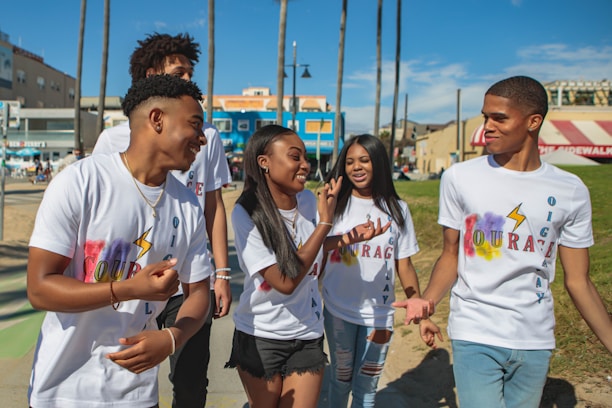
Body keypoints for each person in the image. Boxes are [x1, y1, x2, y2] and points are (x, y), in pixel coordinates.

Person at [399, 75, 612, 408]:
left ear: (533, 121)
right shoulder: (460, 178)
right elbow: (450, 255)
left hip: (535, 338)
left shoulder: (571, 191)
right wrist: (428, 301)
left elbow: (578, 280)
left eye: (499, 118)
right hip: (475, 330)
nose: (488, 126)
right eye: (485, 116)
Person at [27, 74, 212, 408]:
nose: (202, 138)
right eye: (195, 124)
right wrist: (128, 289)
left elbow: (199, 294)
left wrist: (172, 338)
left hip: (136, 395)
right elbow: (39, 289)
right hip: (63, 390)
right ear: (157, 119)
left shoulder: (187, 206)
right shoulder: (81, 182)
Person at [92, 32, 232, 408]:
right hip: (132, 275)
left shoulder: (206, 138)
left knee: (189, 377)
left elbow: (213, 206)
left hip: (189, 274)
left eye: (190, 72)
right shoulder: (112, 139)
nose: (189, 80)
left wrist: (221, 273)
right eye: (179, 72)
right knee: (126, 363)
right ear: (152, 74)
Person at [225, 124, 345, 408]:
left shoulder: (305, 200)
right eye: (295, 157)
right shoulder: (246, 212)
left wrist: (342, 239)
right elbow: (285, 281)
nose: (305, 164)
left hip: (307, 332)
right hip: (261, 335)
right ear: (264, 162)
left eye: (305, 157)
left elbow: (306, 251)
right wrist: (325, 225)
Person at [320, 134, 434, 407]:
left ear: (379, 163)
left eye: (364, 160)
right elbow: (317, 249)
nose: (356, 167)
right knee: (340, 379)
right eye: (349, 162)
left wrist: (418, 307)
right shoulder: (334, 205)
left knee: (367, 387)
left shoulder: (398, 209)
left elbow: (403, 263)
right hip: (338, 310)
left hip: (380, 316)